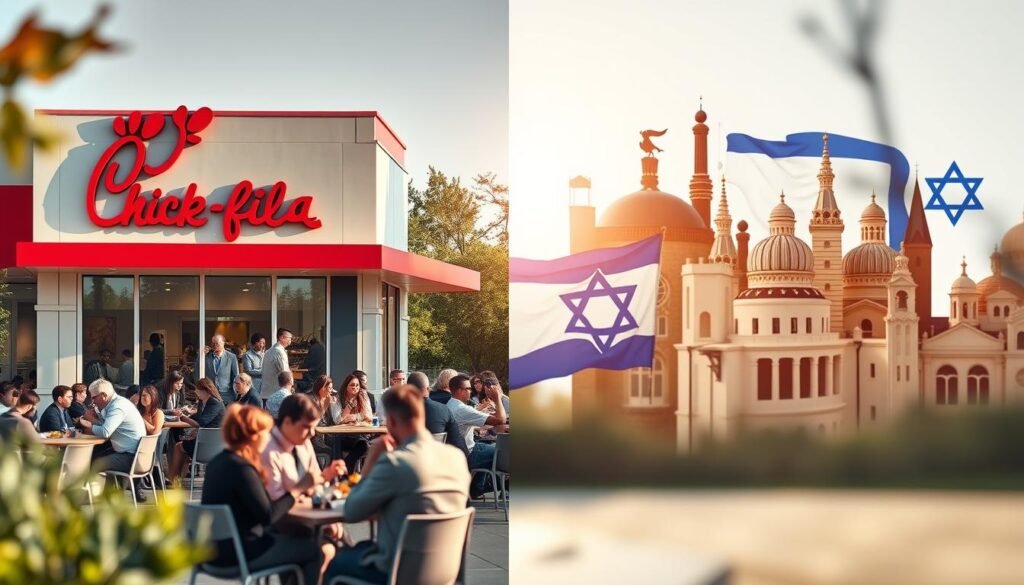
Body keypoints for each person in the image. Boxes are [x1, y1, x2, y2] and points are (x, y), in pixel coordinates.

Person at [323, 386, 470, 584]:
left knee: (332, 561)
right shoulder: (456, 458)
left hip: (396, 570)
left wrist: (371, 461)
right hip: (445, 569)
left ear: (390, 422)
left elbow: (351, 511)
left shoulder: (396, 463)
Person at [200, 404, 321, 585]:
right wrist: (298, 488)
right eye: (266, 432)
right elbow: (268, 515)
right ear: (254, 435)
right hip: (240, 554)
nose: (268, 436)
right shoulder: (242, 470)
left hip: (211, 551)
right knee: (311, 549)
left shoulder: (217, 463)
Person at [263, 394, 347, 580]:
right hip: (281, 529)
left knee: (341, 543)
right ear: (287, 422)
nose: (312, 434)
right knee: (324, 551)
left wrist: (326, 478)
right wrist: (324, 519)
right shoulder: (268, 450)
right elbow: (278, 505)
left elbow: (315, 482)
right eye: (306, 427)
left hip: (308, 519)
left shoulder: (304, 444)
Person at [79, 380, 148, 502]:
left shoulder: (117, 407)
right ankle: (110, 494)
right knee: (98, 454)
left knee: (94, 461)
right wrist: (95, 420)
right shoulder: (120, 403)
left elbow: (106, 432)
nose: (92, 401)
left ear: (104, 395)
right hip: (137, 453)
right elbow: (109, 425)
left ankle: (86, 496)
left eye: (94, 397)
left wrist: (88, 425)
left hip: (130, 456)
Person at [445, 374, 507, 498]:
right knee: (503, 450)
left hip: (459, 452)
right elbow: (501, 420)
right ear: (459, 391)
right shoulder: (461, 409)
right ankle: (504, 485)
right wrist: (497, 399)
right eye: (468, 389)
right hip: (469, 453)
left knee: (491, 446)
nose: (471, 391)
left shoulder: (451, 404)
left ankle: (477, 487)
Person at [167, 378, 226, 482]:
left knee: (178, 447)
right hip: (206, 441)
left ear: (206, 390)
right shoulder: (203, 402)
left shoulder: (214, 403)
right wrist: (186, 414)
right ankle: (177, 480)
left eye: (198, 390)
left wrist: (184, 418)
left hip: (209, 446)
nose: (197, 392)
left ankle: (172, 479)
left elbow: (200, 423)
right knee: (183, 446)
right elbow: (198, 418)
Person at [407, 372, 469, 460]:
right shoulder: (443, 409)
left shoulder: (398, 411)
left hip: (406, 464)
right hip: (436, 463)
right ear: (428, 389)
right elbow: (458, 442)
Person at [333, 374, 372, 473]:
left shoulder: (363, 396)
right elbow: (337, 420)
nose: (355, 388)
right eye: (352, 385)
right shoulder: (337, 398)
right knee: (337, 440)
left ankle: (346, 465)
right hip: (343, 435)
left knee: (365, 445)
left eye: (357, 385)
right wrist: (349, 406)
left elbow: (368, 416)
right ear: (346, 386)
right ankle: (341, 471)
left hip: (359, 435)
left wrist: (353, 417)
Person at [203, 334, 239, 404]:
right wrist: (200, 355)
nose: (214, 345)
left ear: (223, 343)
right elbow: (198, 371)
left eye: (217, 343)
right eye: (213, 343)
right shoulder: (206, 357)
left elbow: (235, 376)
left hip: (227, 395)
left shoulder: (231, 357)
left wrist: (236, 393)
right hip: (210, 394)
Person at [262, 328, 293, 401]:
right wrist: (291, 385)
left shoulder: (270, 350)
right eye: (289, 338)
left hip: (268, 392)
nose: (290, 341)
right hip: (277, 393)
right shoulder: (278, 351)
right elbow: (284, 372)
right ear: (282, 338)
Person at [241, 333, 266, 397]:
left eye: (263, 343)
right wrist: (264, 371)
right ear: (254, 343)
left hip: (265, 386)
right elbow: (249, 371)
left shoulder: (265, 354)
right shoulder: (247, 355)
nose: (262, 345)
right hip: (253, 385)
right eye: (260, 343)